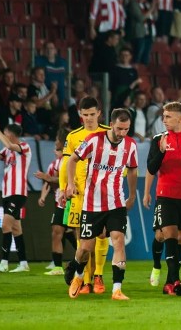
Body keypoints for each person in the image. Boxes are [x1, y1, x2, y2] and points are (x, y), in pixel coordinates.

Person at [65, 109, 138, 300]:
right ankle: (78, 275)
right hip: (92, 203)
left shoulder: (130, 145)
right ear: (111, 124)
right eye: (120, 128)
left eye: (127, 129)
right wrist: (71, 184)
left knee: (118, 240)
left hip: (116, 202)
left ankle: (117, 289)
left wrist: (131, 195)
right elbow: (72, 160)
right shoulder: (94, 140)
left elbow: (132, 170)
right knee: (85, 249)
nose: (123, 133)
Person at [144, 101, 181, 296]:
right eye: (164, 116)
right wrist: (161, 152)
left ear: (180, 118)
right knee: (167, 235)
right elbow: (152, 168)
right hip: (165, 195)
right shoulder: (158, 140)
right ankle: (174, 279)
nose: (164, 120)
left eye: (168, 116)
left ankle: (170, 282)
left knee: (180, 238)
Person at [58, 97, 111, 293]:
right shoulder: (73, 136)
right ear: (80, 115)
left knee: (102, 233)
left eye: (92, 114)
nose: (89, 118)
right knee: (82, 237)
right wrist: (65, 188)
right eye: (85, 114)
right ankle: (86, 281)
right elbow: (65, 165)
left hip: (103, 193)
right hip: (80, 194)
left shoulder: (108, 133)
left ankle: (98, 276)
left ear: (99, 113)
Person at [0, 118, 32, 274]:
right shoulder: (6, 152)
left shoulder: (24, 147)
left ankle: (4, 262)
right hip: (7, 193)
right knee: (16, 229)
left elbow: (8, 144)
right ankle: (23, 263)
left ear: (11, 134)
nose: (3, 135)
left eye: (5, 132)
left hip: (17, 193)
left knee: (6, 225)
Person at [35, 140, 76, 276]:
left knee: (74, 232)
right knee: (57, 231)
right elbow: (48, 182)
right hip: (60, 203)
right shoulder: (54, 164)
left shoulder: (71, 161)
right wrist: (43, 196)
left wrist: (47, 177)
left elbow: (60, 180)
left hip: (73, 201)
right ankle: (57, 266)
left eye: (58, 148)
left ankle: (84, 259)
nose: (56, 150)